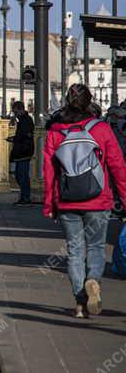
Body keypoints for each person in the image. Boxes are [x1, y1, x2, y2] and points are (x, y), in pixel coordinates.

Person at [43, 83, 126, 318]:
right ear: (90, 101)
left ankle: (80, 303)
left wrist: (50, 204)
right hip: (99, 200)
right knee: (97, 247)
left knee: (75, 251)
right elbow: (118, 166)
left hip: (68, 201)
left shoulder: (55, 132)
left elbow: (49, 173)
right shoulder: (101, 129)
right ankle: (93, 281)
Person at [9, 101, 34, 205]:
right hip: (22, 151)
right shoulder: (22, 119)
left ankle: (26, 198)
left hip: (24, 151)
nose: (14, 114)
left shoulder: (26, 120)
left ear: (20, 110)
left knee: (22, 175)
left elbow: (25, 134)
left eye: (15, 112)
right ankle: (24, 197)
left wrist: (14, 139)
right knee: (20, 175)